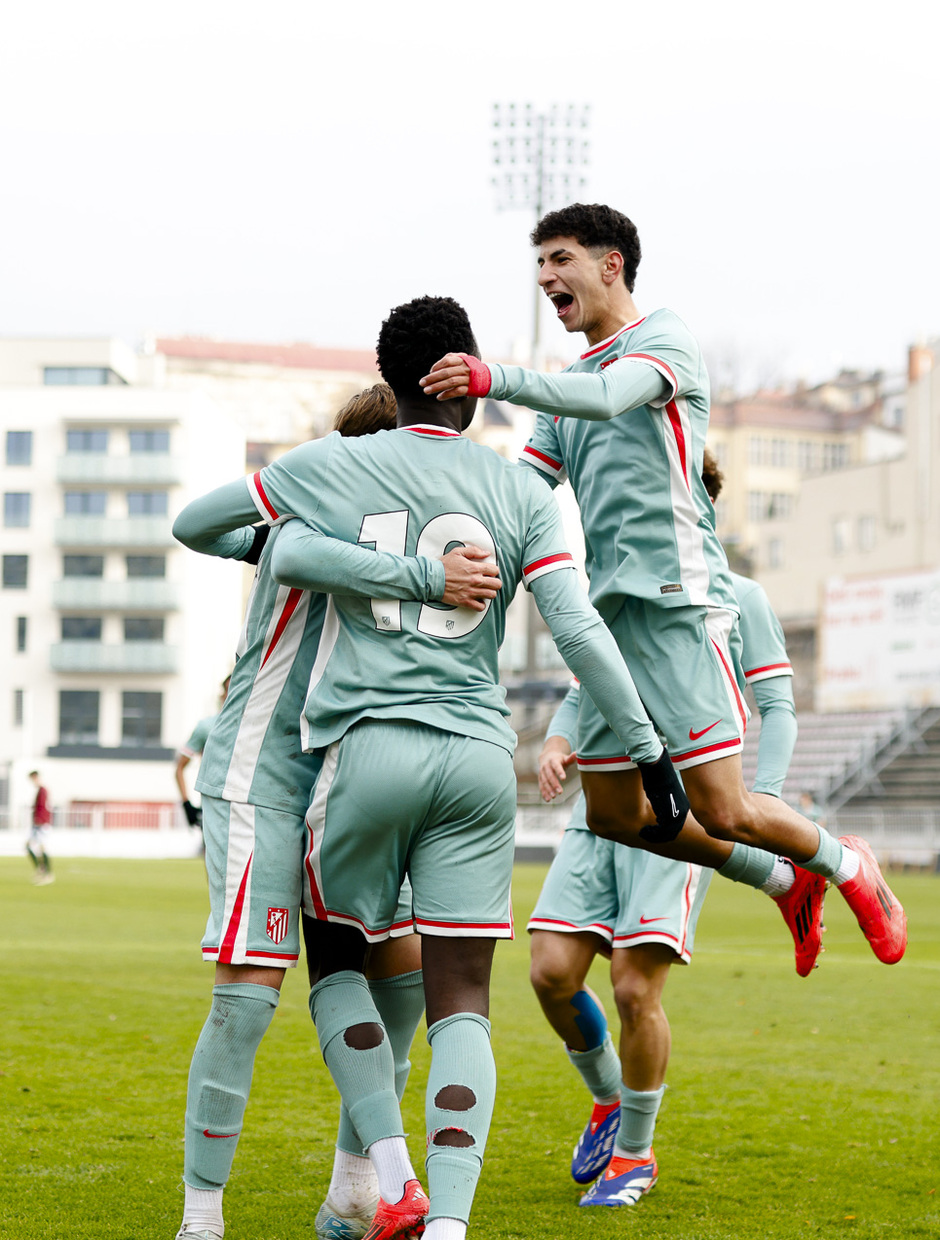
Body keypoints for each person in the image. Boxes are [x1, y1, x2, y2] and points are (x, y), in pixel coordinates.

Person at [178, 294, 688, 1240]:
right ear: (468, 377)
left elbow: (194, 525)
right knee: (462, 1000)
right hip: (482, 759)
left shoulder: (334, 465)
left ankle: (369, 1180)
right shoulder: (526, 492)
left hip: (368, 751)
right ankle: (447, 1224)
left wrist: (301, 549)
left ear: (391, 374)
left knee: (334, 960)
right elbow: (576, 627)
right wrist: (649, 746)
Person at [420, 201, 906, 986]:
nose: (546, 277)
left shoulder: (664, 342)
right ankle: (786, 879)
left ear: (612, 264)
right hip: (611, 626)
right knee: (615, 816)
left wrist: (493, 377)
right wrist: (435, 497)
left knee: (727, 810)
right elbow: (526, 487)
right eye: (539, 263)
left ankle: (847, 862)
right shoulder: (570, 384)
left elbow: (611, 398)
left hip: (681, 607)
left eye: (561, 259)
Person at [170, 383, 501, 1240]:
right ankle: (201, 1220)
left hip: (358, 773)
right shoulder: (302, 522)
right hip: (262, 772)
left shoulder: (422, 522)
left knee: (396, 980)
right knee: (249, 993)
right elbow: (209, 529)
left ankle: (360, 1187)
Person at [525, 446, 806, 1209]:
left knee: (631, 987)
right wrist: (557, 737)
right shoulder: (614, 592)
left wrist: (763, 806)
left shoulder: (739, 596)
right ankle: (610, 1098)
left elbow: (776, 706)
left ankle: (636, 1158)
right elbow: (591, 689)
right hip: (604, 814)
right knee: (551, 973)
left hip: (676, 816)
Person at [175, 677, 230, 830]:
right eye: (228, 689)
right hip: (212, 808)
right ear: (222, 695)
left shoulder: (254, 727)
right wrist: (186, 804)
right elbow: (179, 768)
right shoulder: (206, 727)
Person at [27, 770, 54, 885]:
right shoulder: (40, 791)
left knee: (42, 847)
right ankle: (41, 869)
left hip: (42, 824)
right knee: (29, 846)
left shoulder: (43, 791)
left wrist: (40, 820)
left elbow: (43, 807)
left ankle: (48, 873)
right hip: (38, 824)